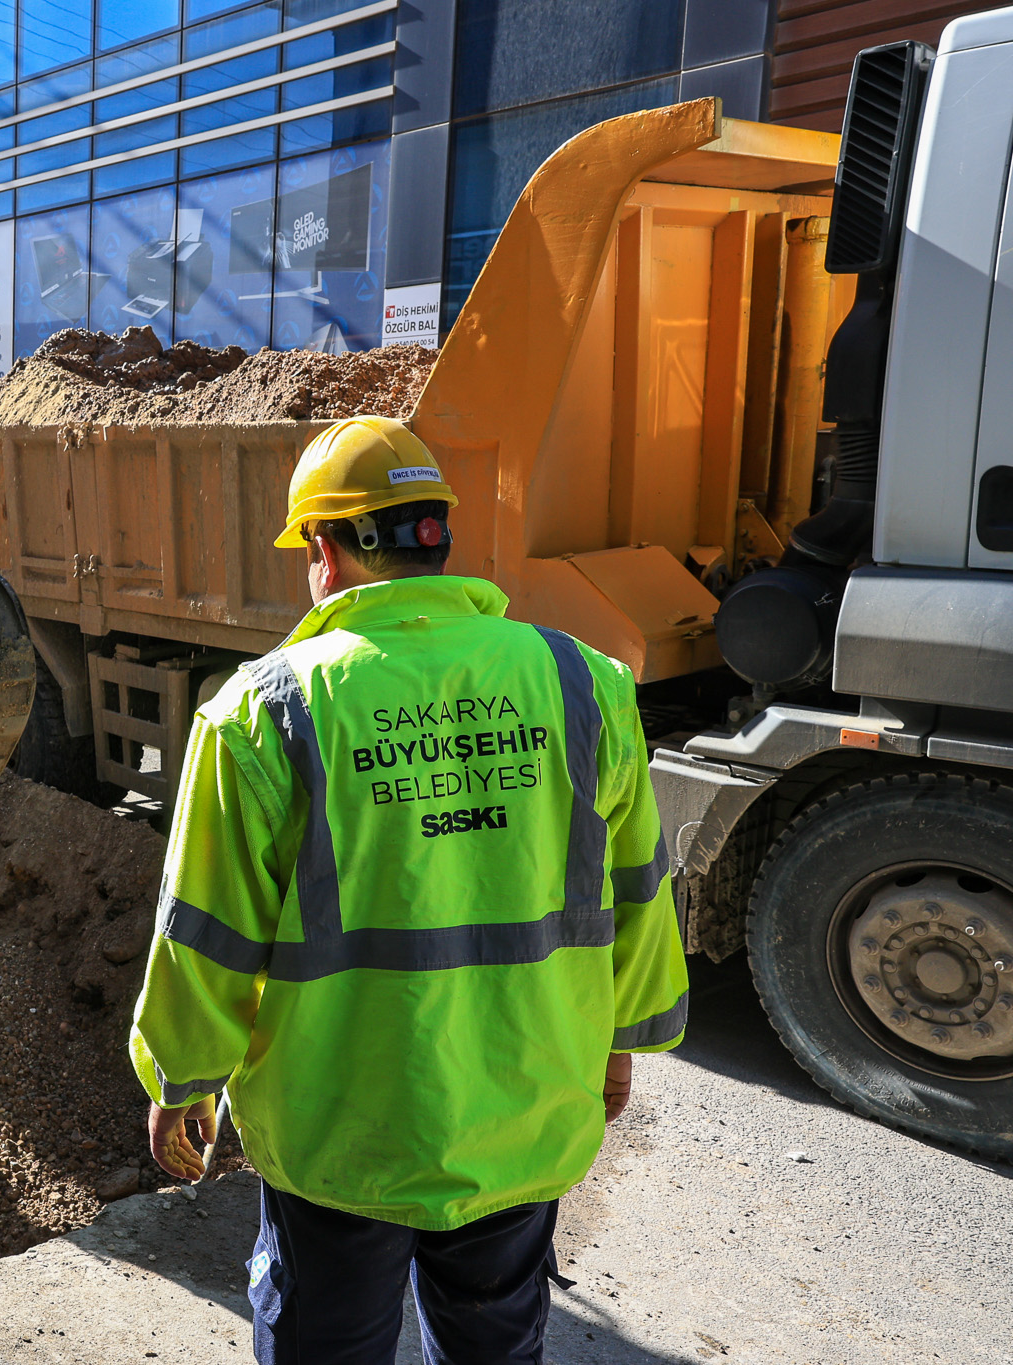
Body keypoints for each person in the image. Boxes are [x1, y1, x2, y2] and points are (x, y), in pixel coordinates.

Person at [128, 416, 687, 1364]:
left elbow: (207, 933)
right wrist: (622, 1042)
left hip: (343, 1132)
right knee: (493, 1345)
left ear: (323, 546)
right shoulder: (584, 683)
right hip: (524, 1108)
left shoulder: (265, 712)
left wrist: (180, 1077)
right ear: (438, 535)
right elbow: (636, 890)